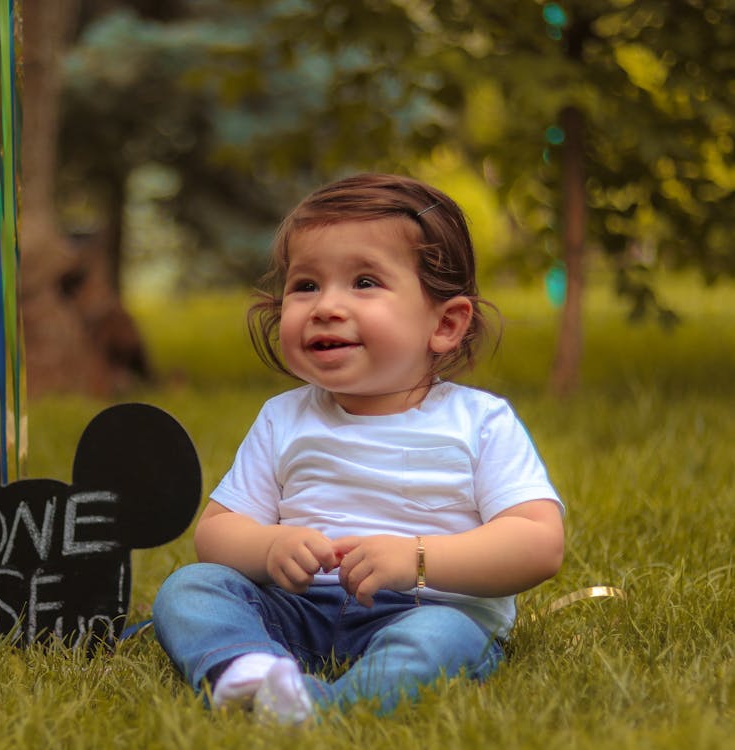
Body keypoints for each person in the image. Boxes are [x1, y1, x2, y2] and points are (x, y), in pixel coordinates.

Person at [151, 173, 565, 724]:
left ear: (445, 323)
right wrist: (269, 546)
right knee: (191, 587)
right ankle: (254, 666)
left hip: (426, 607)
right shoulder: (284, 419)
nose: (326, 306)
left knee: (439, 638)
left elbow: (538, 543)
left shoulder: (480, 422)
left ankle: (329, 709)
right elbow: (217, 532)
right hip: (296, 609)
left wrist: (417, 560)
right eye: (305, 285)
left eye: (364, 282)